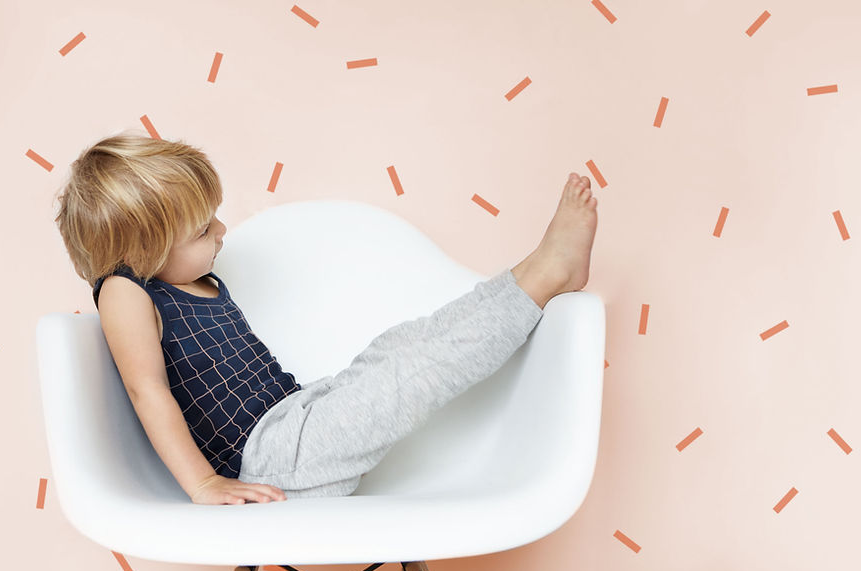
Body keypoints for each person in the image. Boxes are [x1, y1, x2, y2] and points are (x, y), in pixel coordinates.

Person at [54, 133, 598, 503]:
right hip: (265, 461)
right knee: (411, 374)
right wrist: (202, 484)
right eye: (203, 230)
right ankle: (545, 276)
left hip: (293, 419)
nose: (222, 231)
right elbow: (149, 392)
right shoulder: (126, 290)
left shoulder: (189, 279)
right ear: (141, 251)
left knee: (401, 349)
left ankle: (532, 271)